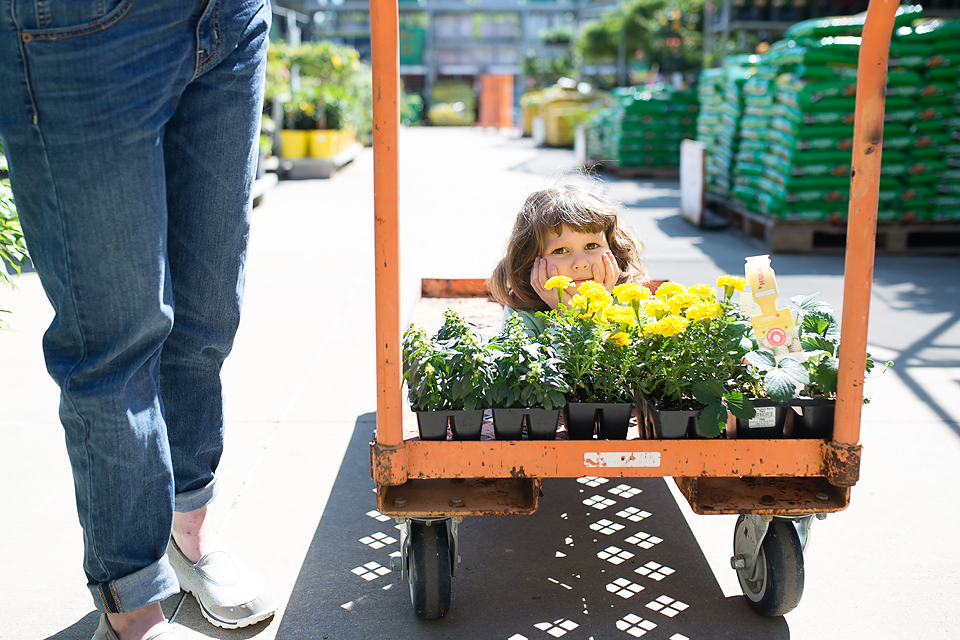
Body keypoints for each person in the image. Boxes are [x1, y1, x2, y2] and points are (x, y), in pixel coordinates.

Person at [0, 1, 276, 639]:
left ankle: (187, 528)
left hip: (228, 18)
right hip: (84, 26)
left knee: (207, 314)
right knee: (115, 339)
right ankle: (133, 610)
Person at [489, 183, 649, 334]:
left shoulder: (629, 302)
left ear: (612, 249)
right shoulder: (521, 311)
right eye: (560, 250)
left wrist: (598, 305)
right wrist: (567, 316)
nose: (580, 263)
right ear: (530, 259)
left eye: (591, 246)